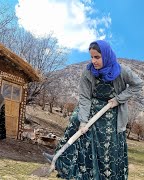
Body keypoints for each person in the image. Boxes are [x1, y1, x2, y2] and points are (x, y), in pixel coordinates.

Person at [44, 40, 143, 179]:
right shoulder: (88, 72)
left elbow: (137, 84)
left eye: (97, 57)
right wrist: (83, 122)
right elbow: (84, 97)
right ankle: (61, 160)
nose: (93, 61)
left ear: (106, 55)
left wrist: (118, 99)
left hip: (112, 115)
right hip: (91, 110)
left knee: (107, 150)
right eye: (91, 57)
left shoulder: (121, 71)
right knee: (75, 121)